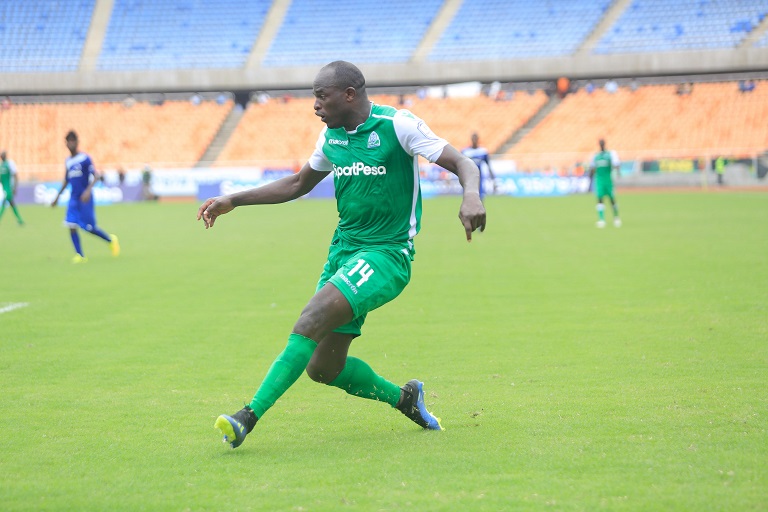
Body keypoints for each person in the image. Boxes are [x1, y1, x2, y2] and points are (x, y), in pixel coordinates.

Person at [198, 61, 486, 449]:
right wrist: (234, 199)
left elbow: (463, 162)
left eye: (322, 96)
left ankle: (246, 417)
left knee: (311, 317)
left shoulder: (397, 125)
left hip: (387, 254)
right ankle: (405, 398)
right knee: (323, 367)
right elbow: (299, 183)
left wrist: (470, 195)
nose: (315, 104)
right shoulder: (330, 136)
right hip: (344, 252)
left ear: (349, 94)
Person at [50, 130, 120, 263]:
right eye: (68, 141)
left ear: (77, 142)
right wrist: (57, 197)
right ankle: (80, 255)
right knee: (71, 224)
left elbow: (96, 176)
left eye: (73, 140)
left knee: (89, 227)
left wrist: (88, 191)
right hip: (74, 198)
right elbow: (66, 180)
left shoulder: (85, 159)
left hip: (85, 198)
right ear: (66, 144)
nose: (71, 143)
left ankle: (110, 240)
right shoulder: (68, 161)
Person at [589, 139, 621, 228]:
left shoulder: (610, 154)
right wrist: (590, 177)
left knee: (612, 199)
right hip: (599, 180)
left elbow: (616, 164)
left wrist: (618, 172)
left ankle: (616, 217)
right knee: (600, 199)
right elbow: (592, 168)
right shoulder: (596, 156)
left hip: (608, 180)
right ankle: (602, 219)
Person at [462, 133, 497, 200]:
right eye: (473, 139)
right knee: (468, 198)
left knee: (480, 198)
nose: (474, 140)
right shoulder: (465, 151)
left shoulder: (482, 151)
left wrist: (493, 178)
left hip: (479, 178)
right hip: (468, 178)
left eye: (476, 139)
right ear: (471, 140)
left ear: (478, 140)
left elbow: (488, 165)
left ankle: (480, 210)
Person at [0, 151, 24, 226]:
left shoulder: (9, 164)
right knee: (12, 204)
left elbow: (15, 175)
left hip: (9, 188)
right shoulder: (2, 166)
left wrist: (15, 187)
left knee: (5, 203)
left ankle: (20, 220)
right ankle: (20, 220)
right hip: (5, 188)